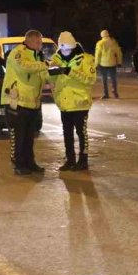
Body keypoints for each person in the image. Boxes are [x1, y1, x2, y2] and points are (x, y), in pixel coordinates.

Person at [1, 29, 49, 176]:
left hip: (32, 102)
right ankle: (18, 164)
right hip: (16, 101)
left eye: (40, 42)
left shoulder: (36, 56)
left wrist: (54, 75)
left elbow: (41, 74)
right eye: (38, 42)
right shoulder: (18, 52)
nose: (40, 45)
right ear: (29, 41)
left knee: (29, 136)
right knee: (18, 136)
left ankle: (30, 162)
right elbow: (24, 68)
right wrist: (45, 64)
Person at [49, 32, 97, 171]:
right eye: (62, 49)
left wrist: (70, 72)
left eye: (67, 49)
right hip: (64, 104)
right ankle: (70, 160)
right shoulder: (56, 59)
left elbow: (90, 79)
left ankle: (83, 160)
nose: (64, 52)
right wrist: (51, 72)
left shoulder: (86, 59)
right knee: (67, 132)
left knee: (81, 132)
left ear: (73, 46)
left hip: (80, 103)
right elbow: (50, 79)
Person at [94, 29, 123, 99]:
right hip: (112, 63)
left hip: (103, 64)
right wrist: (119, 62)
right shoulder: (113, 42)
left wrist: (96, 64)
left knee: (104, 79)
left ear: (102, 35)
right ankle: (115, 92)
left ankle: (106, 94)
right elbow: (118, 52)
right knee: (113, 78)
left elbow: (97, 55)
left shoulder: (100, 43)